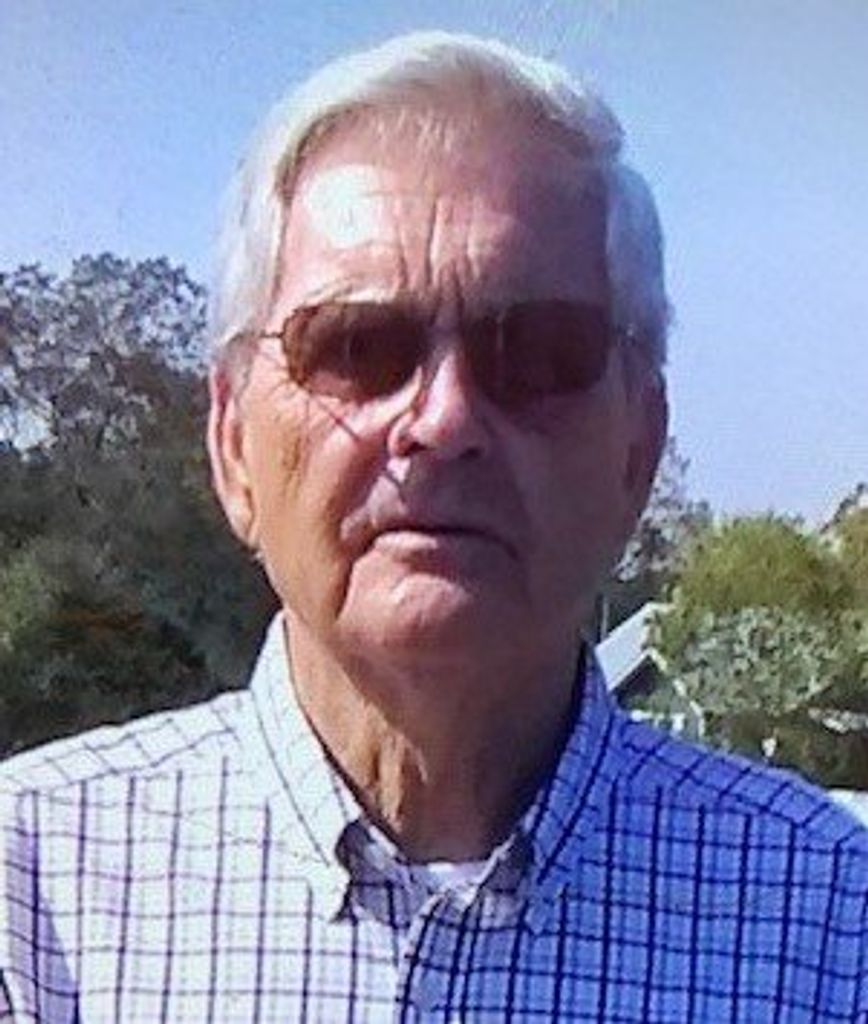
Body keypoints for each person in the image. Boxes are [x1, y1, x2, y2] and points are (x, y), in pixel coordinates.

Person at [1, 30, 865, 1023]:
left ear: (639, 447)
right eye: (358, 345)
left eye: (533, 353)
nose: (443, 420)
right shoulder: (32, 903)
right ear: (233, 443)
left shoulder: (834, 929)